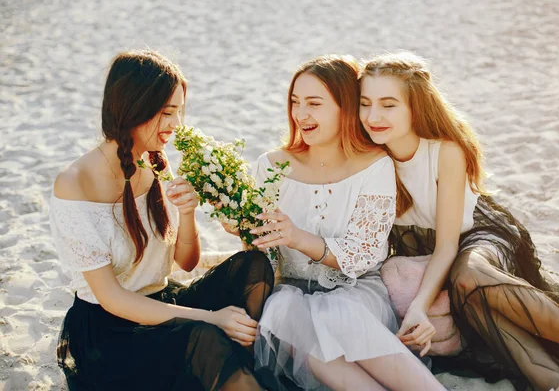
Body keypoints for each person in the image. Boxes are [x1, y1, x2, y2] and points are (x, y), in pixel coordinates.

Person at [359, 51, 559, 391]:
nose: (373, 116)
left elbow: (447, 245)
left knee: (468, 276)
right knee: (477, 304)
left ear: (416, 107)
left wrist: (419, 306)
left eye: (388, 104)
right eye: (365, 103)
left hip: (477, 234)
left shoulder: (444, 151)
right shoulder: (367, 157)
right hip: (428, 248)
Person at [50, 49, 274, 391]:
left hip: (162, 301)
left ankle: (234, 365)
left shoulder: (156, 161)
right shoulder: (74, 182)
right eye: (167, 113)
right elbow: (113, 299)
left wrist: (187, 213)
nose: (176, 125)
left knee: (254, 267)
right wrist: (214, 318)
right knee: (206, 335)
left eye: (179, 112)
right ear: (133, 107)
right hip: (112, 331)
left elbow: (185, 262)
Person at [248, 55, 444, 390]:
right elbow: (261, 253)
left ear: (345, 109)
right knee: (294, 322)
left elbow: (362, 254)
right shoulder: (271, 166)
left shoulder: (374, 165)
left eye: (314, 103)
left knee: (338, 317)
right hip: (291, 292)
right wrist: (240, 228)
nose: (301, 114)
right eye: (295, 102)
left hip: (355, 291)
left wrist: (297, 238)